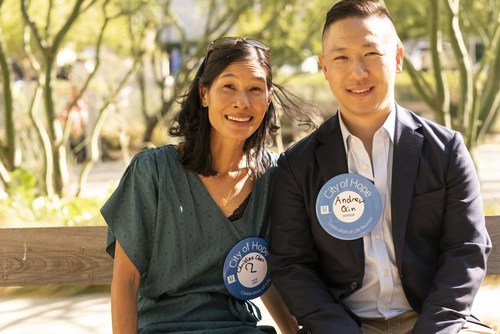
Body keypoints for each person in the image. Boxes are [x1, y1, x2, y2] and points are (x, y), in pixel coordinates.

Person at [268, 1, 493, 333]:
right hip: (344, 326)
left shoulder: (446, 150)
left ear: (398, 59)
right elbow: (292, 264)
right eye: (341, 57)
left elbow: (466, 251)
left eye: (371, 54)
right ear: (324, 68)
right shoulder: (298, 165)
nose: (357, 72)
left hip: (435, 321)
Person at [101, 36, 318, 334]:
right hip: (164, 328)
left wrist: (291, 331)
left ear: (267, 99)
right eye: (228, 86)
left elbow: (262, 269)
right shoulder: (153, 171)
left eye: (255, 89)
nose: (242, 102)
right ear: (204, 94)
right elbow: (126, 281)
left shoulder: (274, 176)